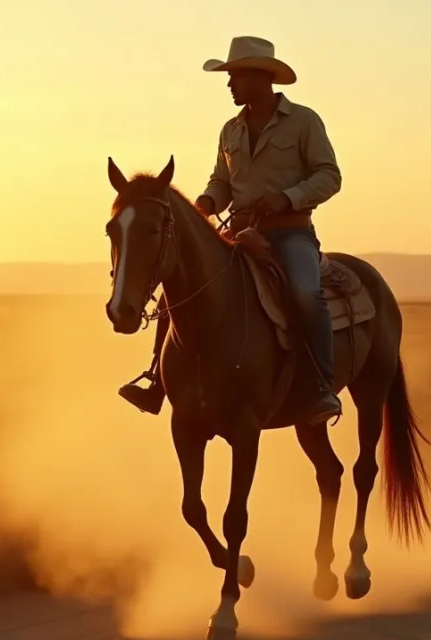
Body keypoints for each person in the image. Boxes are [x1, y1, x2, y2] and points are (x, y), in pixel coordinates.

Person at [118, 35, 344, 424]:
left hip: (289, 233)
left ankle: (320, 387)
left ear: (260, 77)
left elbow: (330, 175)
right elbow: (221, 182)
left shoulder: (304, 121)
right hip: (239, 234)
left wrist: (287, 197)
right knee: (178, 294)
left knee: (306, 293)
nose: (229, 85)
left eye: (234, 76)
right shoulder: (230, 130)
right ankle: (157, 379)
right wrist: (205, 203)